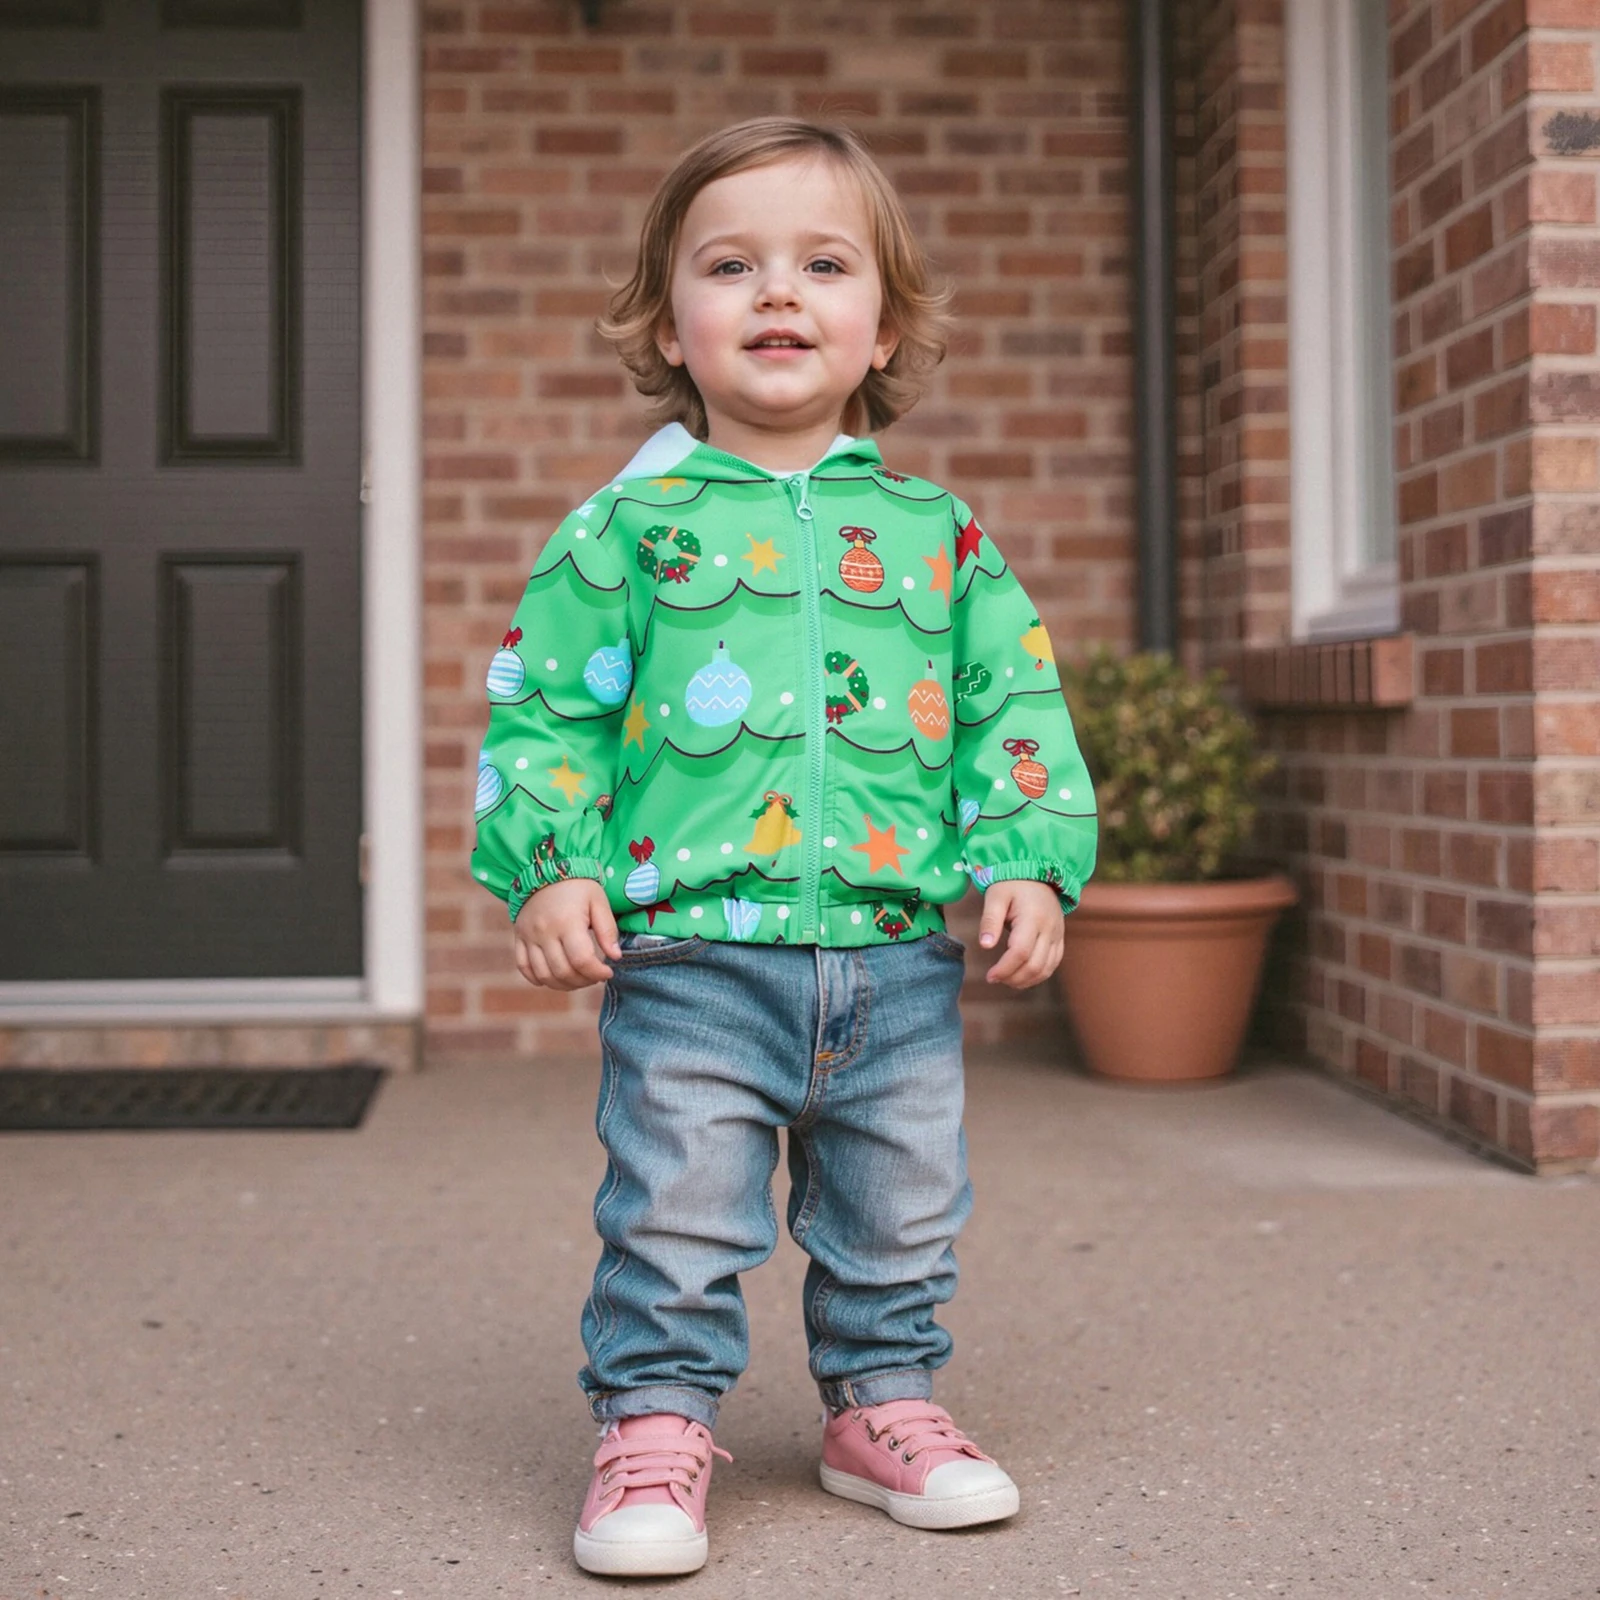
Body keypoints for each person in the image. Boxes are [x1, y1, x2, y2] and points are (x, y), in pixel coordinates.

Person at [471, 116, 1097, 1579]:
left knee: (900, 1206)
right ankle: (653, 1424)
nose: (776, 293)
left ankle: (882, 1404)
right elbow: (547, 709)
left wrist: (1024, 852)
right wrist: (552, 863)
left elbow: (1009, 702)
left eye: (823, 265)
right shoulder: (626, 529)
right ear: (666, 326)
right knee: (675, 1210)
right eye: (729, 266)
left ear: (886, 327)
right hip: (691, 956)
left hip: (894, 958)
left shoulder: (938, 533)